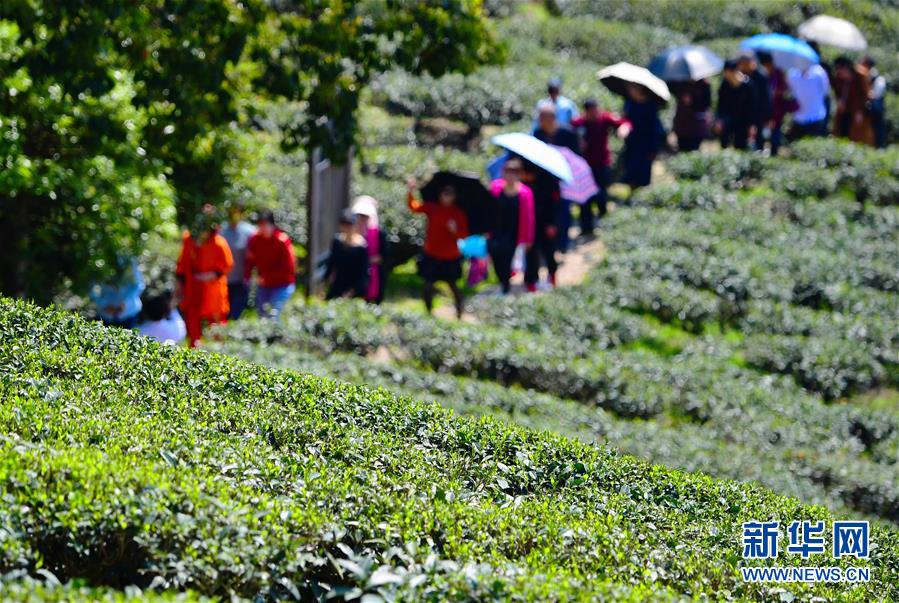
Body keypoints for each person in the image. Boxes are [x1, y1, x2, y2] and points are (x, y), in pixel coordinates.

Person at [406, 179, 470, 318]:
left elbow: (464, 235)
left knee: (453, 286)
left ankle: (459, 312)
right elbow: (414, 207)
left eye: (450, 194)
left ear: (454, 196)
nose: (447, 196)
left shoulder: (458, 213)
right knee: (427, 285)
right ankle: (429, 313)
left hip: (450, 256)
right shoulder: (432, 208)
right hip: (432, 254)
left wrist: (455, 231)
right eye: (444, 193)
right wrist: (410, 191)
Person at [176, 205, 234, 348]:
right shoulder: (189, 240)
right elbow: (182, 265)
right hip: (193, 288)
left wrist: (211, 275)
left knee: (216, 327)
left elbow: (227, 264)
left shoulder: (219, 243)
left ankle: (220, 355)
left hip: (213, 290)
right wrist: (179, 286)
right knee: (193, 326)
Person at [571, 98, 631, 234]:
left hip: (602, 163)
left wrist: (624, 129)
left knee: (601, 194)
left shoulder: (604, 118)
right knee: (585, 197)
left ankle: (604, 222)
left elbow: (624, 123)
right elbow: (567, 134)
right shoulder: (579, 123)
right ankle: (586, 227)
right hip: (584, 167)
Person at [533, 100, 579, 252]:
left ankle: (563, 244)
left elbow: (576, 156)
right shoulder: (538, 134)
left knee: (564, 212)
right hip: (545, 181)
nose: (540, 121)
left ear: (552, 118)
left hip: (564, 179)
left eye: (542, 117)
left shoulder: (568, 133)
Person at [488, 157, 535, 294]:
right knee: (496, 259)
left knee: (507, 260)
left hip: (513, 233)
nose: (510, 175)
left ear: (519, 174)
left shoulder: (525, 193)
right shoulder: (495, 188)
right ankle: (502, 282)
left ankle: (505, 287)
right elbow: (488, 210)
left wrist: (528, 239)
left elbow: (529, 218)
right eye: (508, 171)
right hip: (496, 232)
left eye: (514, 172)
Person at [245, 211, 296, 320]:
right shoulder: (255, 240)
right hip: (264, 286)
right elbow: (250, 261)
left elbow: (289, 268)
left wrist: (267, 277)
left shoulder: (282, 241)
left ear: (272, 225)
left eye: (265, 224)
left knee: (274, 316)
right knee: (262, 317)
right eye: (260, 225)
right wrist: (247, 277)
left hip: (282, 285)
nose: (263, 228)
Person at [520, 160, 560, 292]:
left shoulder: (549, 181)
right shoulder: (522, 185)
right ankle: (531, 281)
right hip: (530, 224)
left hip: (546, 223)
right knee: (530, 253)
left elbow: (554, 205)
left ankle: (552, 276)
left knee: (549, 251)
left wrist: (552, 224)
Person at [622, 83, 664, 189]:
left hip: (645, 143)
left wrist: (654, 148)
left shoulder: (650, 106)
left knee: (643, 170)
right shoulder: (629, 103)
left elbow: (654, 128)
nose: (631, 91)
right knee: (631, 169)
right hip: (632, 143)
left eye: (633, 88)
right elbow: (626, 120)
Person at [220, 203, 256, 320]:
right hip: (224, 280)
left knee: (237, 313)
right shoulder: (221, 230)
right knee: (225, 312)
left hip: (242, 280)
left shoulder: (250, 231)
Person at [324, 209, 369, 300]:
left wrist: (351, 292)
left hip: (355, 289)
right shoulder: (337, 241)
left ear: (355, 225)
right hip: (338, 284)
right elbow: (331, 263)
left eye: (349, 224)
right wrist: (324, 283)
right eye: (343, 223)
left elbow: (363, 273)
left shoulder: (362, 246)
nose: (346, 227)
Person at [89, 257, 145, 329]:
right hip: (105, 315)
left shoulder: (128, 258)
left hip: (128, 314)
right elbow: (91, 288)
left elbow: (139, 285)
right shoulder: (100, 259)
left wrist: (125, 303)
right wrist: (103, 305)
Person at [758, 52, 796, 155]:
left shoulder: (778, 74)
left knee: (775, 134)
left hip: (777, 111)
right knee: (761, 134)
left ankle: (774, 153)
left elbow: (786, 89)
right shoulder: (760, 75)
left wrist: (776, 92)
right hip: (763, 110)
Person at [352, 196, 388, 304]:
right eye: (359, 216)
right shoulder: (351, 233)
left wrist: (368, 260)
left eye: (365, 216)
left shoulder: (379, 234)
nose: (362, 219)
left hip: (375, 273)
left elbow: (385, 255)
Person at [833, 56, 875, 147]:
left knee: (857, 136)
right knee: (841, 132)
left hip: (857, 111)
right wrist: (839, 101)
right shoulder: (839, 77)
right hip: (843, 111)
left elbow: (867, 95)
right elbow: (837, 91)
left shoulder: (861, 75)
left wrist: (860, 110)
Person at [715, 59, 755, 150]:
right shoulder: (725, 85)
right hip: (728, 118)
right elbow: (721, 104)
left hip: (743, 120)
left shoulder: (747, 85)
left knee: (740, 145)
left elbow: (752, 107)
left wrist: (752, 124)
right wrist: (719, 119)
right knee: (724, 141)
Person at [737, 51, 772, 151]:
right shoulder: (741, 75)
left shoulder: (761, 76)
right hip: (745, 114)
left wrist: (768, 115)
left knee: (759, 139)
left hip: (759, 113)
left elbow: (766, 97)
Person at [786, 62, 830, 140]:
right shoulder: (792, 73)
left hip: (816, 116)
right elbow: (791, 91)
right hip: (798, 117)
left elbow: (825, 91)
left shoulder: (819, 72)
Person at [670, 80, 711, 152]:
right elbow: (674, 91)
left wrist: (692, 101)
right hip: (682, 124)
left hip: (697, 126)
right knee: (682, 150)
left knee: (693, 150)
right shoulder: (681, 82)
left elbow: (706, 104)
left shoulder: (704, 84)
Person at [863, 57, 887, 149]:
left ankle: (879, 146)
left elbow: (876, 94)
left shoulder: (878, 78)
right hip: (870, 108)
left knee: (877, 128)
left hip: (876, 109)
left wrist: (867, 94)